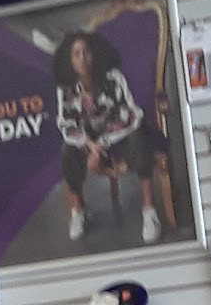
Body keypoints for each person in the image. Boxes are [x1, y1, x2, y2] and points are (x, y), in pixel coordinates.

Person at [53, 30, 159, 245]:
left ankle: (149, 211)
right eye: (76, 54)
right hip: (89, 142)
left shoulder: (113, 78)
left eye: (86, 52)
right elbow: (66, 125)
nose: (82, 58)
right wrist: (90, 146)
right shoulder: (65, 90)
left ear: (94, 54)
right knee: (67, 150)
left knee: (139, 138)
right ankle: (78, 212)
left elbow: (131, 115)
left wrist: (102, 143)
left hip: (118, 137)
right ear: (69, 60)